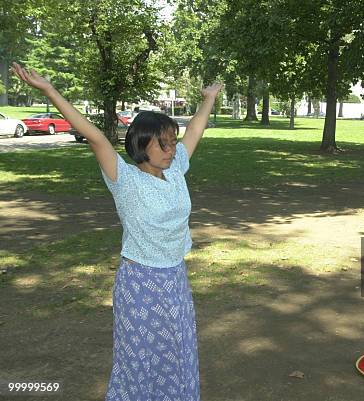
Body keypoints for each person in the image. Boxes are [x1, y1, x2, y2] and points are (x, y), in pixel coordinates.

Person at [12, 62, 222, 401]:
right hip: (139, 283)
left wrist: (208, 98)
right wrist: (50, 91)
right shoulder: (125, 180)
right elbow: (94, 134)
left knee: (177, 353)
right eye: (163, 144)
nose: (172, 149)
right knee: (138, 361)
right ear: (142, 143)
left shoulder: (176, 168)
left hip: (175, 279)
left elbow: (195, 130)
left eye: (173, 142)